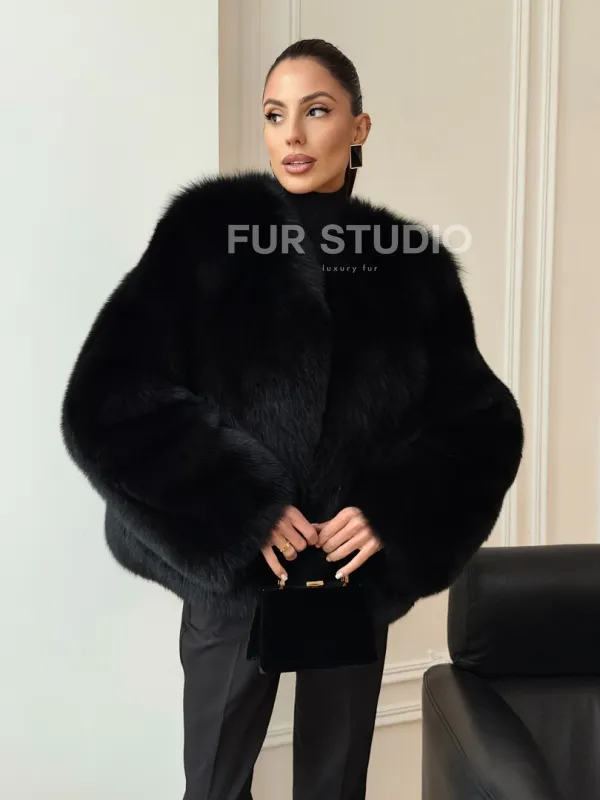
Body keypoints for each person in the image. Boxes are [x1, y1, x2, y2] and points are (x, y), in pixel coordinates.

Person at [60, 38, 524, 800]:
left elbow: (482, 426)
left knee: (335, 788)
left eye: (317, 111)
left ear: (359, 127)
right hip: (234, 576)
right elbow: (108, 395)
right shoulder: (205, 235)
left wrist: (392, 511)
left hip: (349, 581)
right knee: (214, 786)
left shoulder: (410, 266)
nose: (293, 135)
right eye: (276, 115)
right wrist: (241, 508)